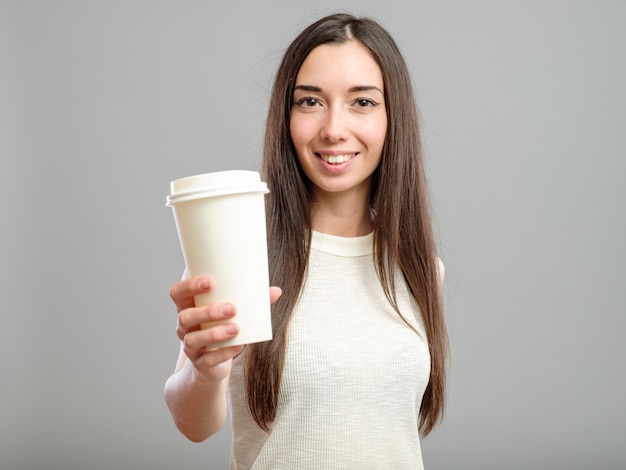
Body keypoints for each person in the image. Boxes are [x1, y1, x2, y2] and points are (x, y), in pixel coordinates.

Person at [165, 12, 448, 469]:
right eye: (311, 101)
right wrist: (204, 370)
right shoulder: (241, 251)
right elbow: (192, 423)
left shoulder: (419, 267)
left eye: (362, 102)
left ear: (393, 117)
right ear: (287, 115)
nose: (334, 129)